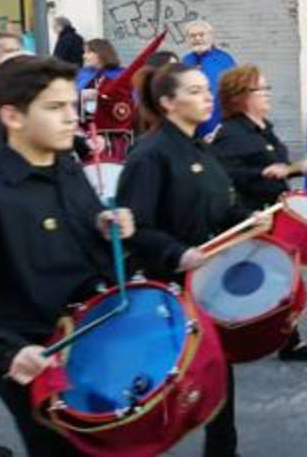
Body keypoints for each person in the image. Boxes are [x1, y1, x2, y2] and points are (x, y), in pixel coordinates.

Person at [0, 56, 173, 457]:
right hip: (33, 354)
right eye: (54, 108)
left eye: (71, 106)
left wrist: (107, 226)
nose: (71, 119)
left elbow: (85, 241)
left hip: (97, 330)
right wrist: (7, 351)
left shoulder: (66, 167)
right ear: (12, 115)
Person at [115, 62, 254, 457]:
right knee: (162, 390)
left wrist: (253, 222)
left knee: (218, 370)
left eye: (205, 89)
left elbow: (222, 204)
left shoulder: (200, 146)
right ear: (167, 103)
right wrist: (178, 254)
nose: (207, 96)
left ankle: (223, 450)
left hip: (209, 280)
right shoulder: (150, 154)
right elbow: (135, 227)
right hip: (169, 287)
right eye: (194, 91)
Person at [210, 65, 307, 363]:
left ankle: (289, 340)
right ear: (242, 96)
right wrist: (259, 172)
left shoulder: (264, 127)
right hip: (250, 219)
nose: (268, 94)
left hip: (273, 216)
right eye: (262, 89)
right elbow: (222, 173)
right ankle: (231, 337)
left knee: (281, 279)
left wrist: (297, 168)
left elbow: (280, 164)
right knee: (254, 282)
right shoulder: (230, 133)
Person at [182, 20, 237, 140]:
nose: (197, 38)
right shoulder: (186, 61)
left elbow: (235, 93)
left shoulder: (224, 60)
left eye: (201, 35)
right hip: (191, 126)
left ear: (211, 36)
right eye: (192, 36)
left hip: (217, 125)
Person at [75, 39, 124, 121]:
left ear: (101, 54)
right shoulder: (82, 74)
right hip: (83, 123)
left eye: (88, 52)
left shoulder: (120, 75)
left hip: (114, 124)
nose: (84, 56)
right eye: (84, 52)